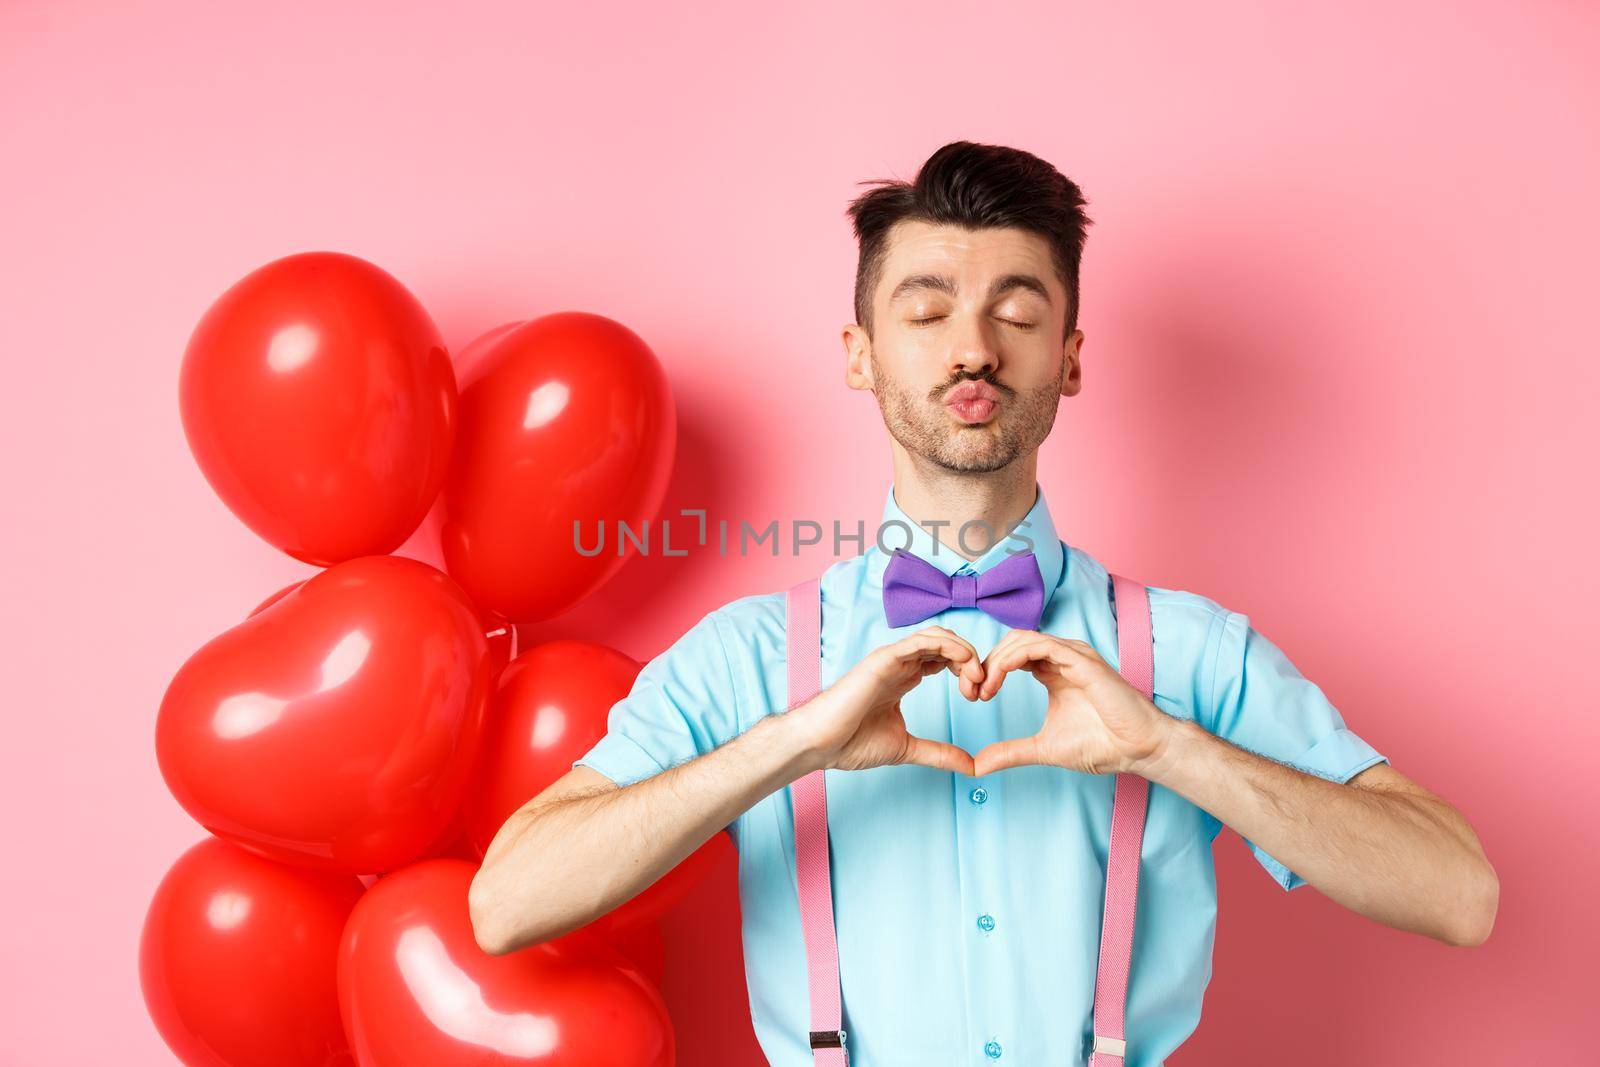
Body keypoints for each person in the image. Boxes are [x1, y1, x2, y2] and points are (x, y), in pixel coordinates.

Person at [468, 141, 1498, 1065]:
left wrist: (1165, 746)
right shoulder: (749, 656)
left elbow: (1458, 893)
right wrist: (793, 742)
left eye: (1016, 311)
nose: (973, 347)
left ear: (1071, 354)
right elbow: (509, 901)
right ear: (860, 354)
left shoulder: (1190, 650)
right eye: (925, 312)